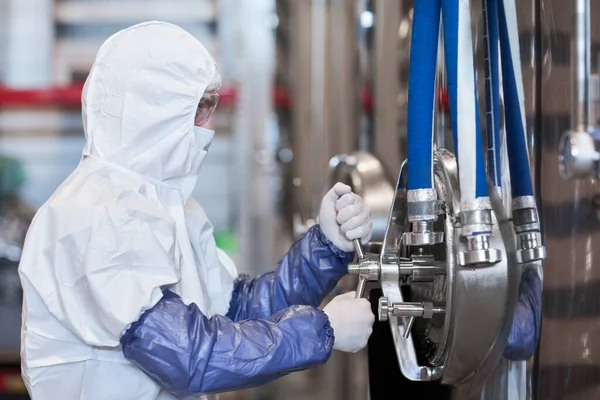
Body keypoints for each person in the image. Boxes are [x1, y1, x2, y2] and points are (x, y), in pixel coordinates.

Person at [18, 21, 375, 400]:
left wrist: (323, 247)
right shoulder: (89, 218)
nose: (209, 127)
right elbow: (187, 356)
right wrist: (322, 330)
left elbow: (240, 312)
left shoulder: (173, 207)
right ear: (153, 113)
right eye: (198, 108)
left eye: (211, 106)